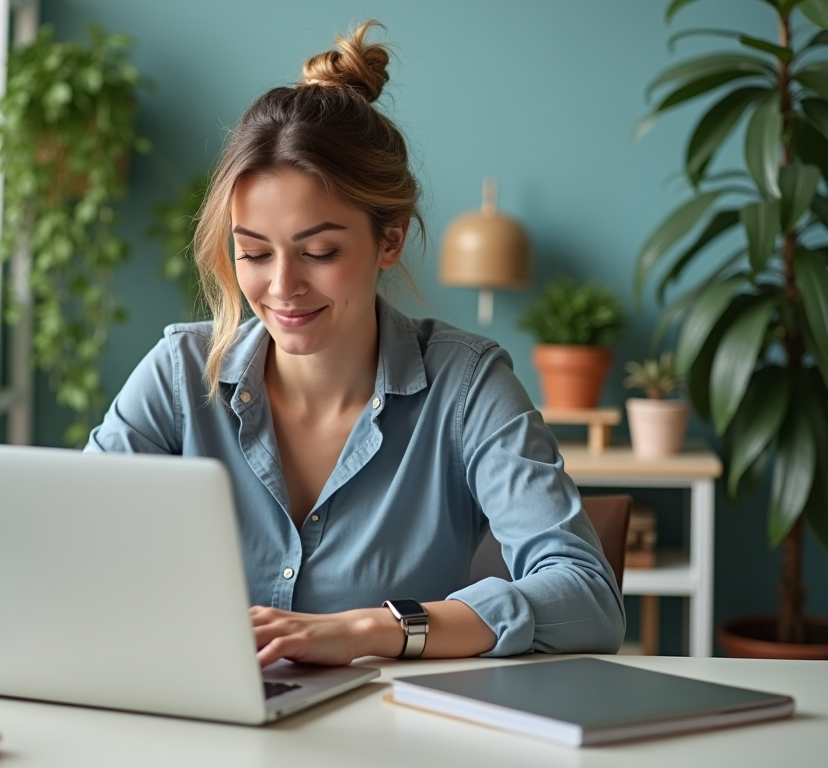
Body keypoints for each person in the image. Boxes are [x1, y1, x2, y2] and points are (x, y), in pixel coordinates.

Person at [86, 20, 625, 666]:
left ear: (389, 241)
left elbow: (587, 596)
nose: (282, 286)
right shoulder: (179, 374)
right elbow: (71, 546)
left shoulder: (468, 385)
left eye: (319, 251)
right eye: (254, 252)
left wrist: (377, 630)